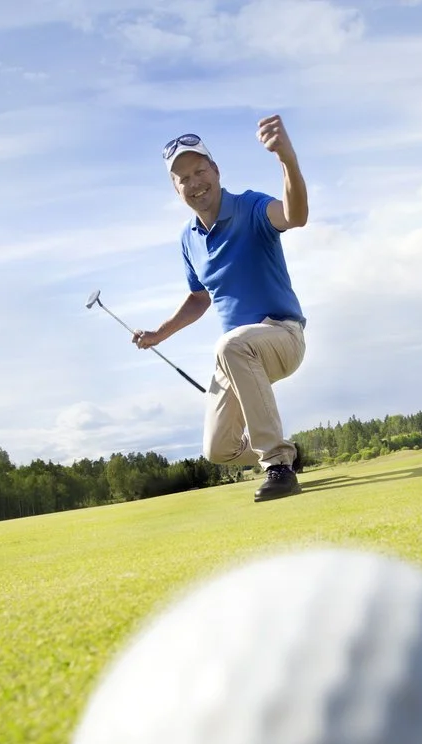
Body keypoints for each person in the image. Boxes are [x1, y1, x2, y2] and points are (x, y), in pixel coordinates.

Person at [134, 117, 310, 502]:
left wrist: (287, 160)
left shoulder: (250, 206)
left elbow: (295, 216)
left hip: (282, 336)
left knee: (230, 344)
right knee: (217, 449)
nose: (195, 182)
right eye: (183, 178)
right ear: (175, 188)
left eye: (200, 171)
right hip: (236, 354)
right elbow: (199, 298)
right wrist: (159, 334)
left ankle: (278, 465)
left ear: (215, 170)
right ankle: (288, 452)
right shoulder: (188, 239)